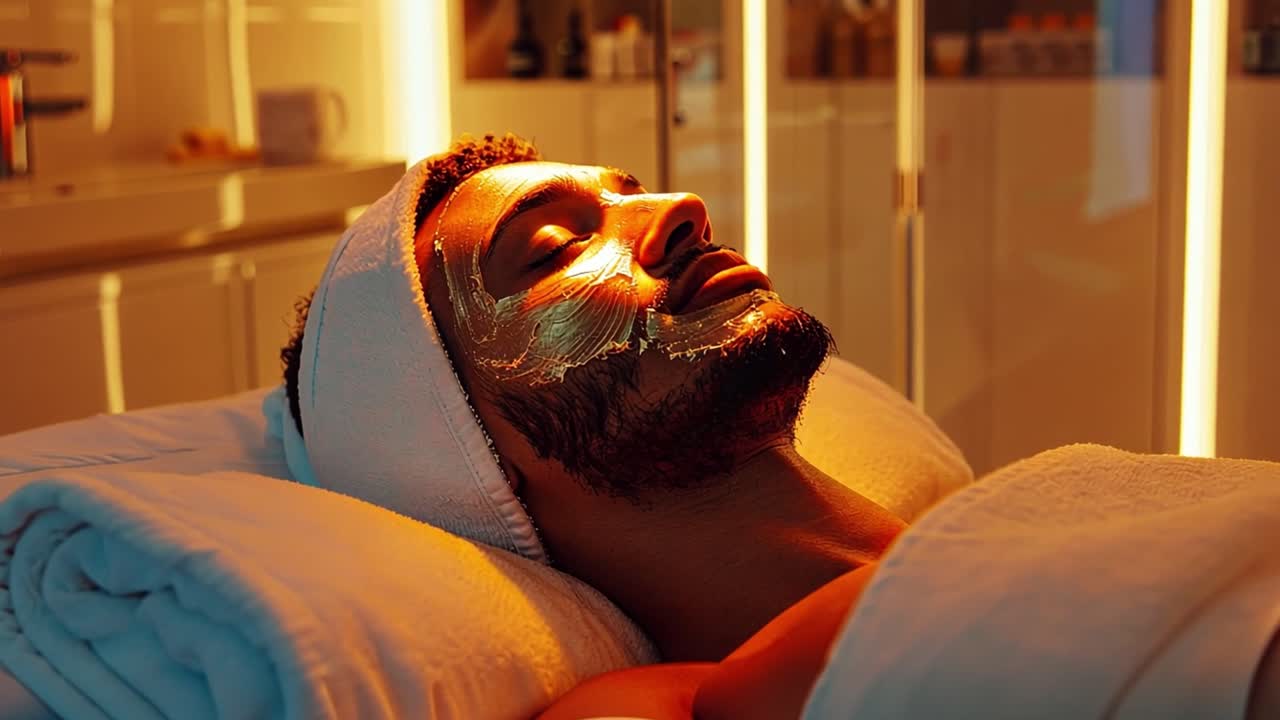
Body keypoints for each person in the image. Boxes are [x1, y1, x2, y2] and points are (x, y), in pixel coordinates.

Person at [280, 135, 1280, 720]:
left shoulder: (1032, 526)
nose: (682, 208)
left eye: (633, 196)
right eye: (548, 249)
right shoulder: (685, 705)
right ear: (469, 449)